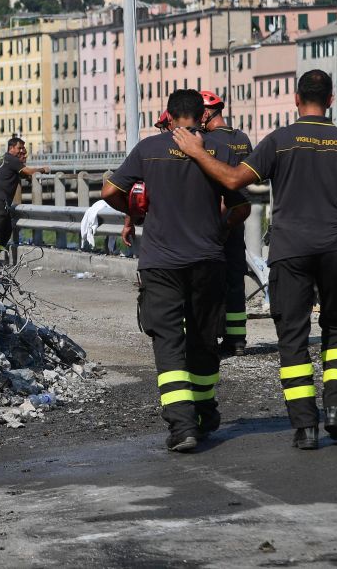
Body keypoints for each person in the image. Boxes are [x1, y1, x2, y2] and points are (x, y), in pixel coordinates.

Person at [172, 70, 337, 450]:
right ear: (331, 100)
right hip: (336, 250)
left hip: (290, 252)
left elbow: (235, 180)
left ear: (296, 98)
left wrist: (199, 153)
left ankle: (305, 427)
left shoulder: (280, 141)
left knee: (293, 337)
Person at [102, 90, 250, 453]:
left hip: (161, 263)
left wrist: (137, 214)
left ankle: (183, 426)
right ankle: (205, 411)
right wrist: (221, 228)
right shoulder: (219, 150)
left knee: (168, 342)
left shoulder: (148, 149)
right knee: (203, 339)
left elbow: (109, 190)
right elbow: (241, 206)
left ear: (167, 116)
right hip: (207, 260)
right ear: (202, 117)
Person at [199, 90, 254, 356]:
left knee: (208, 279)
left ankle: (210, 336)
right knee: (235, 278)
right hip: (238, 215)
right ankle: (237, 339)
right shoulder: (242, 138)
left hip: (213, 218)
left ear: (207, 113)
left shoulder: (207, 142)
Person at [0, 137, 48, 262]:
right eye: (19, 148)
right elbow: (28, 171)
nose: (21, 151)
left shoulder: (6, 159)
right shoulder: (11, 159)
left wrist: (28, 176)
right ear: (11, 148)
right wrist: (42, 169)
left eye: (23, 149)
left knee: (7, 227)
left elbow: (22, 173)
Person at [121, 111, 173, 247]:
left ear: (170, 124)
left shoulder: (149, 150)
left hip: (160, 233)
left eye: (162, 127)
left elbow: (134, 191)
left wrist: (129, 222)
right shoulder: (203, 147)